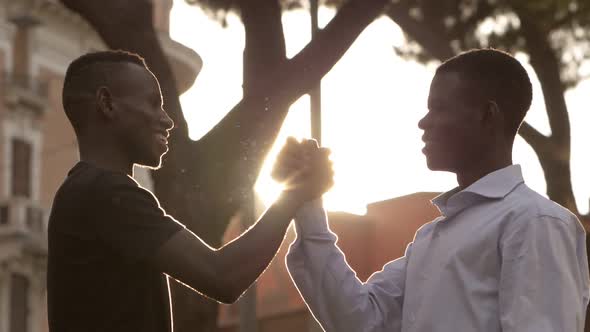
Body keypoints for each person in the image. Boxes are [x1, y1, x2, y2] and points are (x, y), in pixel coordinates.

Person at [276, 49, 590, 331]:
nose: (423, 123)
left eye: (439, 108)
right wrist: (307, 203)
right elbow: (360, 320)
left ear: (487, 115)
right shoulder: (430, 239)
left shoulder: (535, 221)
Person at [46, 50, 333, 332]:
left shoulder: (85, 192)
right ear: (107, 103)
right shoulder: (105, 193)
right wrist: (295, 193)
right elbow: (222, 276)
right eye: (153, 103)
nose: (167, 120)